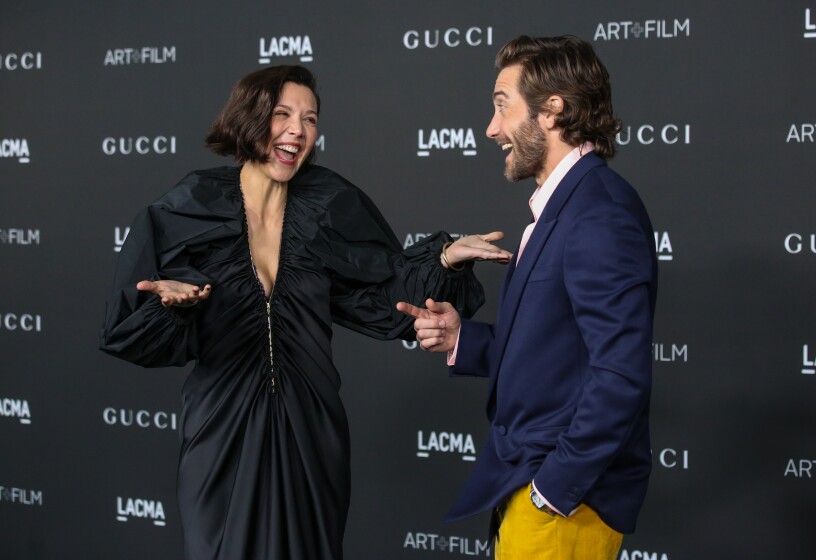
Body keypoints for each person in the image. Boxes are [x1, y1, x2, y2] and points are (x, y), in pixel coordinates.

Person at [99, 65, 510, 560]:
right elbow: (131, 326)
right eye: (282, 115)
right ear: (250, 119)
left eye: (310, 119)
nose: (298, 130)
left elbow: (384, 297)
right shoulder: (192, 205)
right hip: (221, 429)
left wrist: (444, 257)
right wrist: (175, 309)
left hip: (312, 428)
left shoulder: (329, 204)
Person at [397, 36, 657, 560]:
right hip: (525, 485)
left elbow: (620, 374)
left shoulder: (598, 212)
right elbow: (558, 352)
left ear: (552, 109)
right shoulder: (565, 205)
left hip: (563, 503)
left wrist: (553, 490)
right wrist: (461, 338)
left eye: (501, 105)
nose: (491, 129)